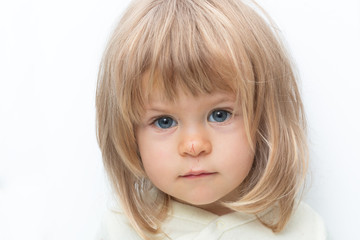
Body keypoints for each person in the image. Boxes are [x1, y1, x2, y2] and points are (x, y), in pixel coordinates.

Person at [95, 0, 326, 239]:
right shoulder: (120, 231)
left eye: (220, 115)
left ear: (265, 120)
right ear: (128, 134)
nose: (194, 146)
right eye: (164, 121)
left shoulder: (303, 229)